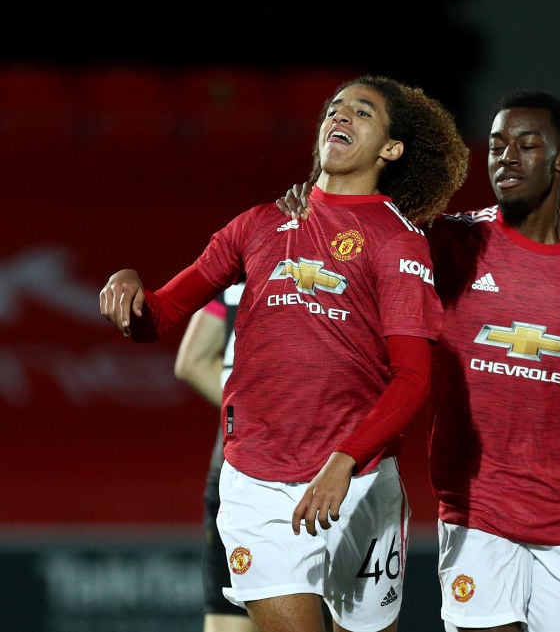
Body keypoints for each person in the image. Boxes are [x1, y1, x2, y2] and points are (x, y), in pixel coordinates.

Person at [99, 75, 471, 632]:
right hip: (255, 480)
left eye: (362, 113)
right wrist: (130, 290)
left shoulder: (398, 241)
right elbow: (159, 317)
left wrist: (343, 463)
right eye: (334, 108)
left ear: (392, 149)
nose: (340, 117)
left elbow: (413, 377)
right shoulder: (259, 223)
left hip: (359, 481)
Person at [279, 89, 560, 632]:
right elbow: (365, 226)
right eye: (496, 146)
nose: (506, 158)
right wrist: (315, 207)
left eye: (526, 145)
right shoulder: (448, 241)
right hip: (476, 507)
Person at [174, 283, 257, 632]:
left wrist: (248, 418)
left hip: (232, 468)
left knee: (228, 623)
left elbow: (191, 363)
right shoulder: (327, 268)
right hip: (309, 471)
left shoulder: (239, 271)